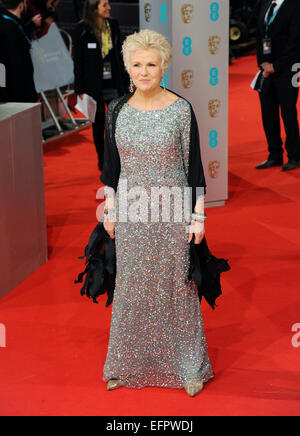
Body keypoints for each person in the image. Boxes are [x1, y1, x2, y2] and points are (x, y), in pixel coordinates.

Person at [100, 29, 214, 397]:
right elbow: (110, 170)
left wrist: (198, 218)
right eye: (137, 64)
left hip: (172, 214)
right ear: (127, 67)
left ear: (164, 65)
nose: (144, 71)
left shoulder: (181, 109)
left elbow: (194, 168)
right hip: (132, 215)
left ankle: (189, 367)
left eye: (151, 64)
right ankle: (126, 364)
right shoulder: (116, 111)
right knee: (131, 289)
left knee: (178, 289)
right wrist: (110, 210)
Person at [73, 0, 129, 172]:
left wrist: (126, 80)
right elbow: (78, 60)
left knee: (117, 124)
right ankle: (102, 162)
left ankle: (117, 161)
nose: (109, 8)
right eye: (104, 5)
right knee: (98, 125)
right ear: (94, 8)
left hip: (114, 82)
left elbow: (120, 54)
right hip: (93, 86)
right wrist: (79, 88)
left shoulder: (112, 24)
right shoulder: (82, 29)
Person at [255, 0, 300, 171]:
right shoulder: (265, 3)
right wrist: (263, 64)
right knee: (268, 112)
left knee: (288, 113)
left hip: (289, 67)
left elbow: (295, 43)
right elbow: (259, 36)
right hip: (267, 69)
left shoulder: (295, 6)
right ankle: (274, 154)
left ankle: (295, 155)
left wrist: (276, 66)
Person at [0, 0, 38, 103]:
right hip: (15, 89)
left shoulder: (12, 23)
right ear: (21, 5)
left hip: (14, 86)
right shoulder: (8, 26)